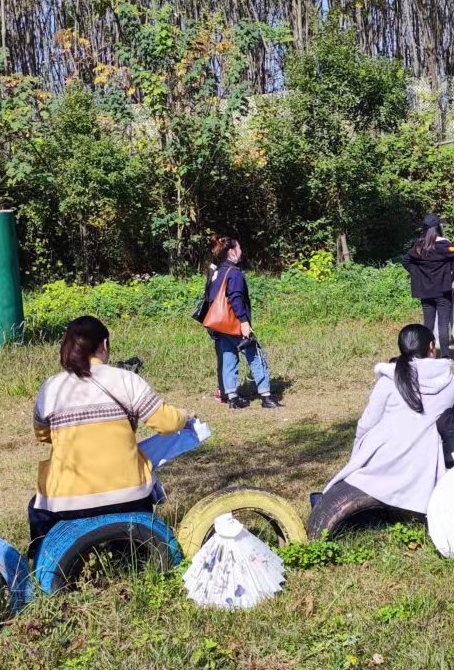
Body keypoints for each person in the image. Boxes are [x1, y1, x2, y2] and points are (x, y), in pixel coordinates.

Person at [29, 316, 195, 556]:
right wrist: (185, 414)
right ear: (104, 345)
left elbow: (43, 434)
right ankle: (134, 552)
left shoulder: (52, 387)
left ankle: (41, 560)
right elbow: (168, 424)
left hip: (67, 502)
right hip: (129, 494)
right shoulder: (127, 380)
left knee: (36, 509)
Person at [323, 324, 454, 515]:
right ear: (432, 346)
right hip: (428, 466)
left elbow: (367, 423)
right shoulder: (450, 380)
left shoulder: (390, 379)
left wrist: (357, 456)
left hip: (385, 459)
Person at [202, 237, 280, 409]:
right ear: (231, 251)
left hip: (220, 326)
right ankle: (266, 396)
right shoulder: (234, 273)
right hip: (235, 324)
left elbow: (209, 298)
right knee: (256, 356)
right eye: (239, 248)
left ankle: (233, 398)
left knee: (229, 359)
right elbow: (235, 298)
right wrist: (244, 321)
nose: (241, 251)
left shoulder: (216, 273)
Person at [403, 214, 454, 357]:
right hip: (443, 291)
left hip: (426, 291)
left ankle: (424, 353)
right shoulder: (445, 244)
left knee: (427, 324)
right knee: (443, 324)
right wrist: (450, 275)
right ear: (438, 227)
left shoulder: (419, 246)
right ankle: (445, 355)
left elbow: (406, 260)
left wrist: (418, 275)